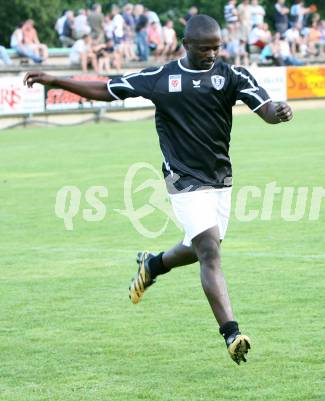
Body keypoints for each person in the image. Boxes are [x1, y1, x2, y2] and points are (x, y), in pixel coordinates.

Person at [23, 14, 292, 365]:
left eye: (217, 47)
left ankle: (152, 265)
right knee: (209, 251)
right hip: (182, 178)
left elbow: (265, 108)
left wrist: (278, 111)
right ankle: (231, 333)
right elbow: (107, 89)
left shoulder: (232, 75)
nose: (212, 54)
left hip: (219, 177)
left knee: (197, 248)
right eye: (205, 48)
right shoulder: (161, 78)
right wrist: (57, 80)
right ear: (187, 45)